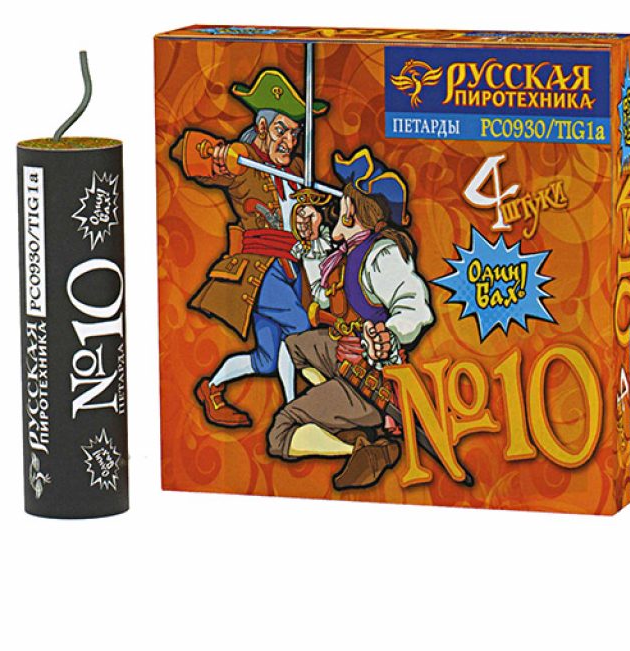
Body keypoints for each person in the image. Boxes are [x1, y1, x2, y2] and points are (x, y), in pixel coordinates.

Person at [169, 68, 330, 427]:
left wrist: (312, 218)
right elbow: (185, 152)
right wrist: (217, 153)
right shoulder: (243, 162)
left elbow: (306, 215)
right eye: (281, 130)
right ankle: (299, 410)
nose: (289, 140)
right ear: (261, 127)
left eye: (294, 133)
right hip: (261, 271)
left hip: (292, 269)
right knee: (301, 330)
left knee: (268, 359)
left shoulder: (298, 169)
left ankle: (213, 388)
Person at [268, 147, 434, 489]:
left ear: (355, 211)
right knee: (294, 347)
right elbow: (325, 295)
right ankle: (353, 427)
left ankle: (363, 446)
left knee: (280, 432)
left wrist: (388, 335)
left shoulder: (381, 254)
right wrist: (311, 246)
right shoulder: (347, 254)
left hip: (373, 378)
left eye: (345, 200)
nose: (338, 205)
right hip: (344, 352)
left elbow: (415, 307)